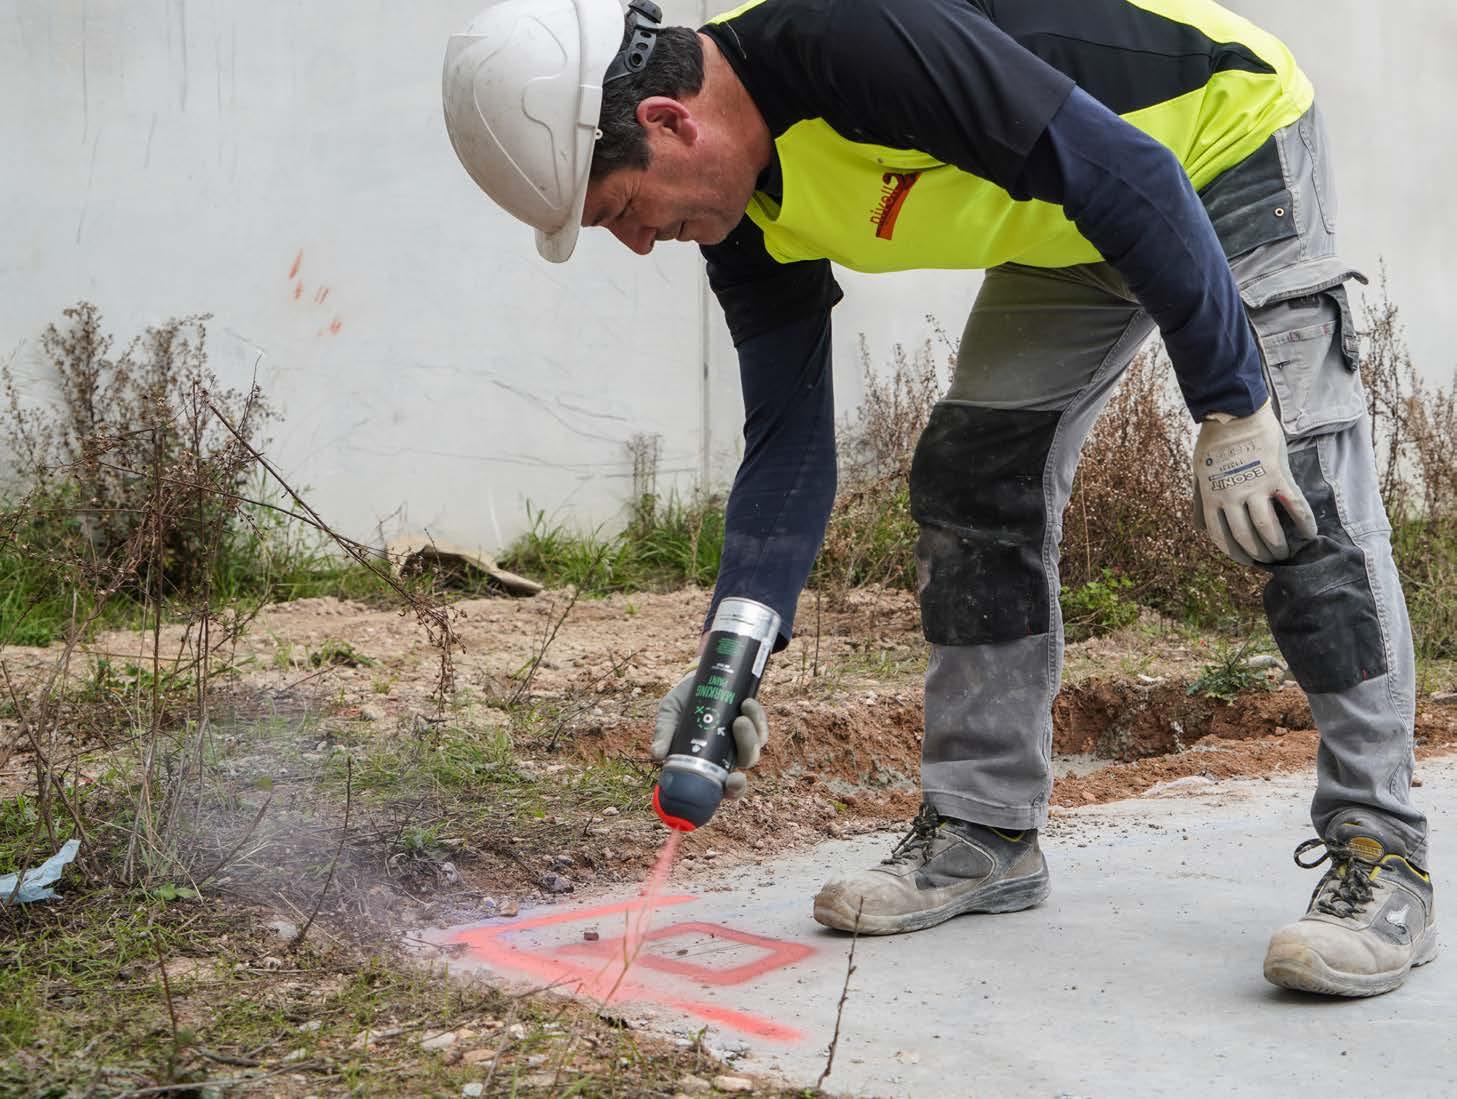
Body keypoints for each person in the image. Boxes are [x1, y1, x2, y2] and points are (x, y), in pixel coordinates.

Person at [442, 0, 1437, 996]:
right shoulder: (742, 216)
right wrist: (727, 662)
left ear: (668, 121)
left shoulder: (849, 40)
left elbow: (1133, 172)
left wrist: (1229, 406)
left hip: (1214, 141)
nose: (636, 240)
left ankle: (1380, 848)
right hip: (1078, 209)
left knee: (1294, 471)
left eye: (619, 209)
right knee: (973, 473)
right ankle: (983, 827)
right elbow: (787, 446)